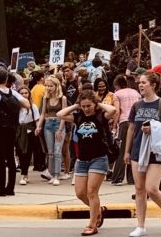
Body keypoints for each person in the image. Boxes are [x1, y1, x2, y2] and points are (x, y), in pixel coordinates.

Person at [57, 90, 116, 236]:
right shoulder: (78, 117)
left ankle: (92, 224)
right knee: (80, 193)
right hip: (82, 159)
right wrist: (75, 106)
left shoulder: (101, 116)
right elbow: (60, 114)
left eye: (88, 105)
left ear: (94, 104)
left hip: (99, 158)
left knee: (91, 192)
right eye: (83, 106)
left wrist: (98, 104)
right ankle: (98, 211)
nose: (86, 108)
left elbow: (113, 110)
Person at [124, 72, 161, 236]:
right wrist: (126, 151)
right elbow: (131, 129)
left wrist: (154, 128)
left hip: (157, 151)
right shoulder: (137, 106)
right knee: (139, 189)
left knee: (151, 188)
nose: (140, 85)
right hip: (138, 150)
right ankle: (141, 225)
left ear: (153, 85)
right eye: (139, 82)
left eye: (144, 82)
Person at [0, 69, 31, 196]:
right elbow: (27, 104)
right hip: (11, 128)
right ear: (6, 79)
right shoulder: (12, 92)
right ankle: (10, 188)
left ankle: (0, 187)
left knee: (0, 158)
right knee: (10, 157)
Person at [35, 77, 68, 185]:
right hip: (48, 124)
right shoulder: (46, 98)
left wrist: (60, 129)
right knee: (50, 152)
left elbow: (64, 115)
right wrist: (38, 126)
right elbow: (43, 113)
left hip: (59, 123)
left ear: (56, 86)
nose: (48, 88)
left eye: (50, 86)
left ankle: (57, 175)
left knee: (57, 150)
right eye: (47, 86)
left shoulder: (62, 98)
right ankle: (52, 173)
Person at [110, 75, 141, 186]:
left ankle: (117, 177)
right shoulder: (136, 92)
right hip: (137, 122)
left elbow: (117, 111)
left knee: (122, 150)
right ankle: (132, 178)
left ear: (117, 85)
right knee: (133, 149)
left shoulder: (117, 94)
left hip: (124, 122)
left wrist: (114, 125)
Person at [15, 87, 39, 185]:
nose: (24, 95)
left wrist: (38, 128)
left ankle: (23, 175)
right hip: (19, 132)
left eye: (26, 93)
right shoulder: (16, 107)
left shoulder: (33, 107)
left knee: (27, 153)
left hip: (29, 131)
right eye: (22, 93)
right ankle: (25, 174)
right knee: (20, 153)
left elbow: (36, 119)